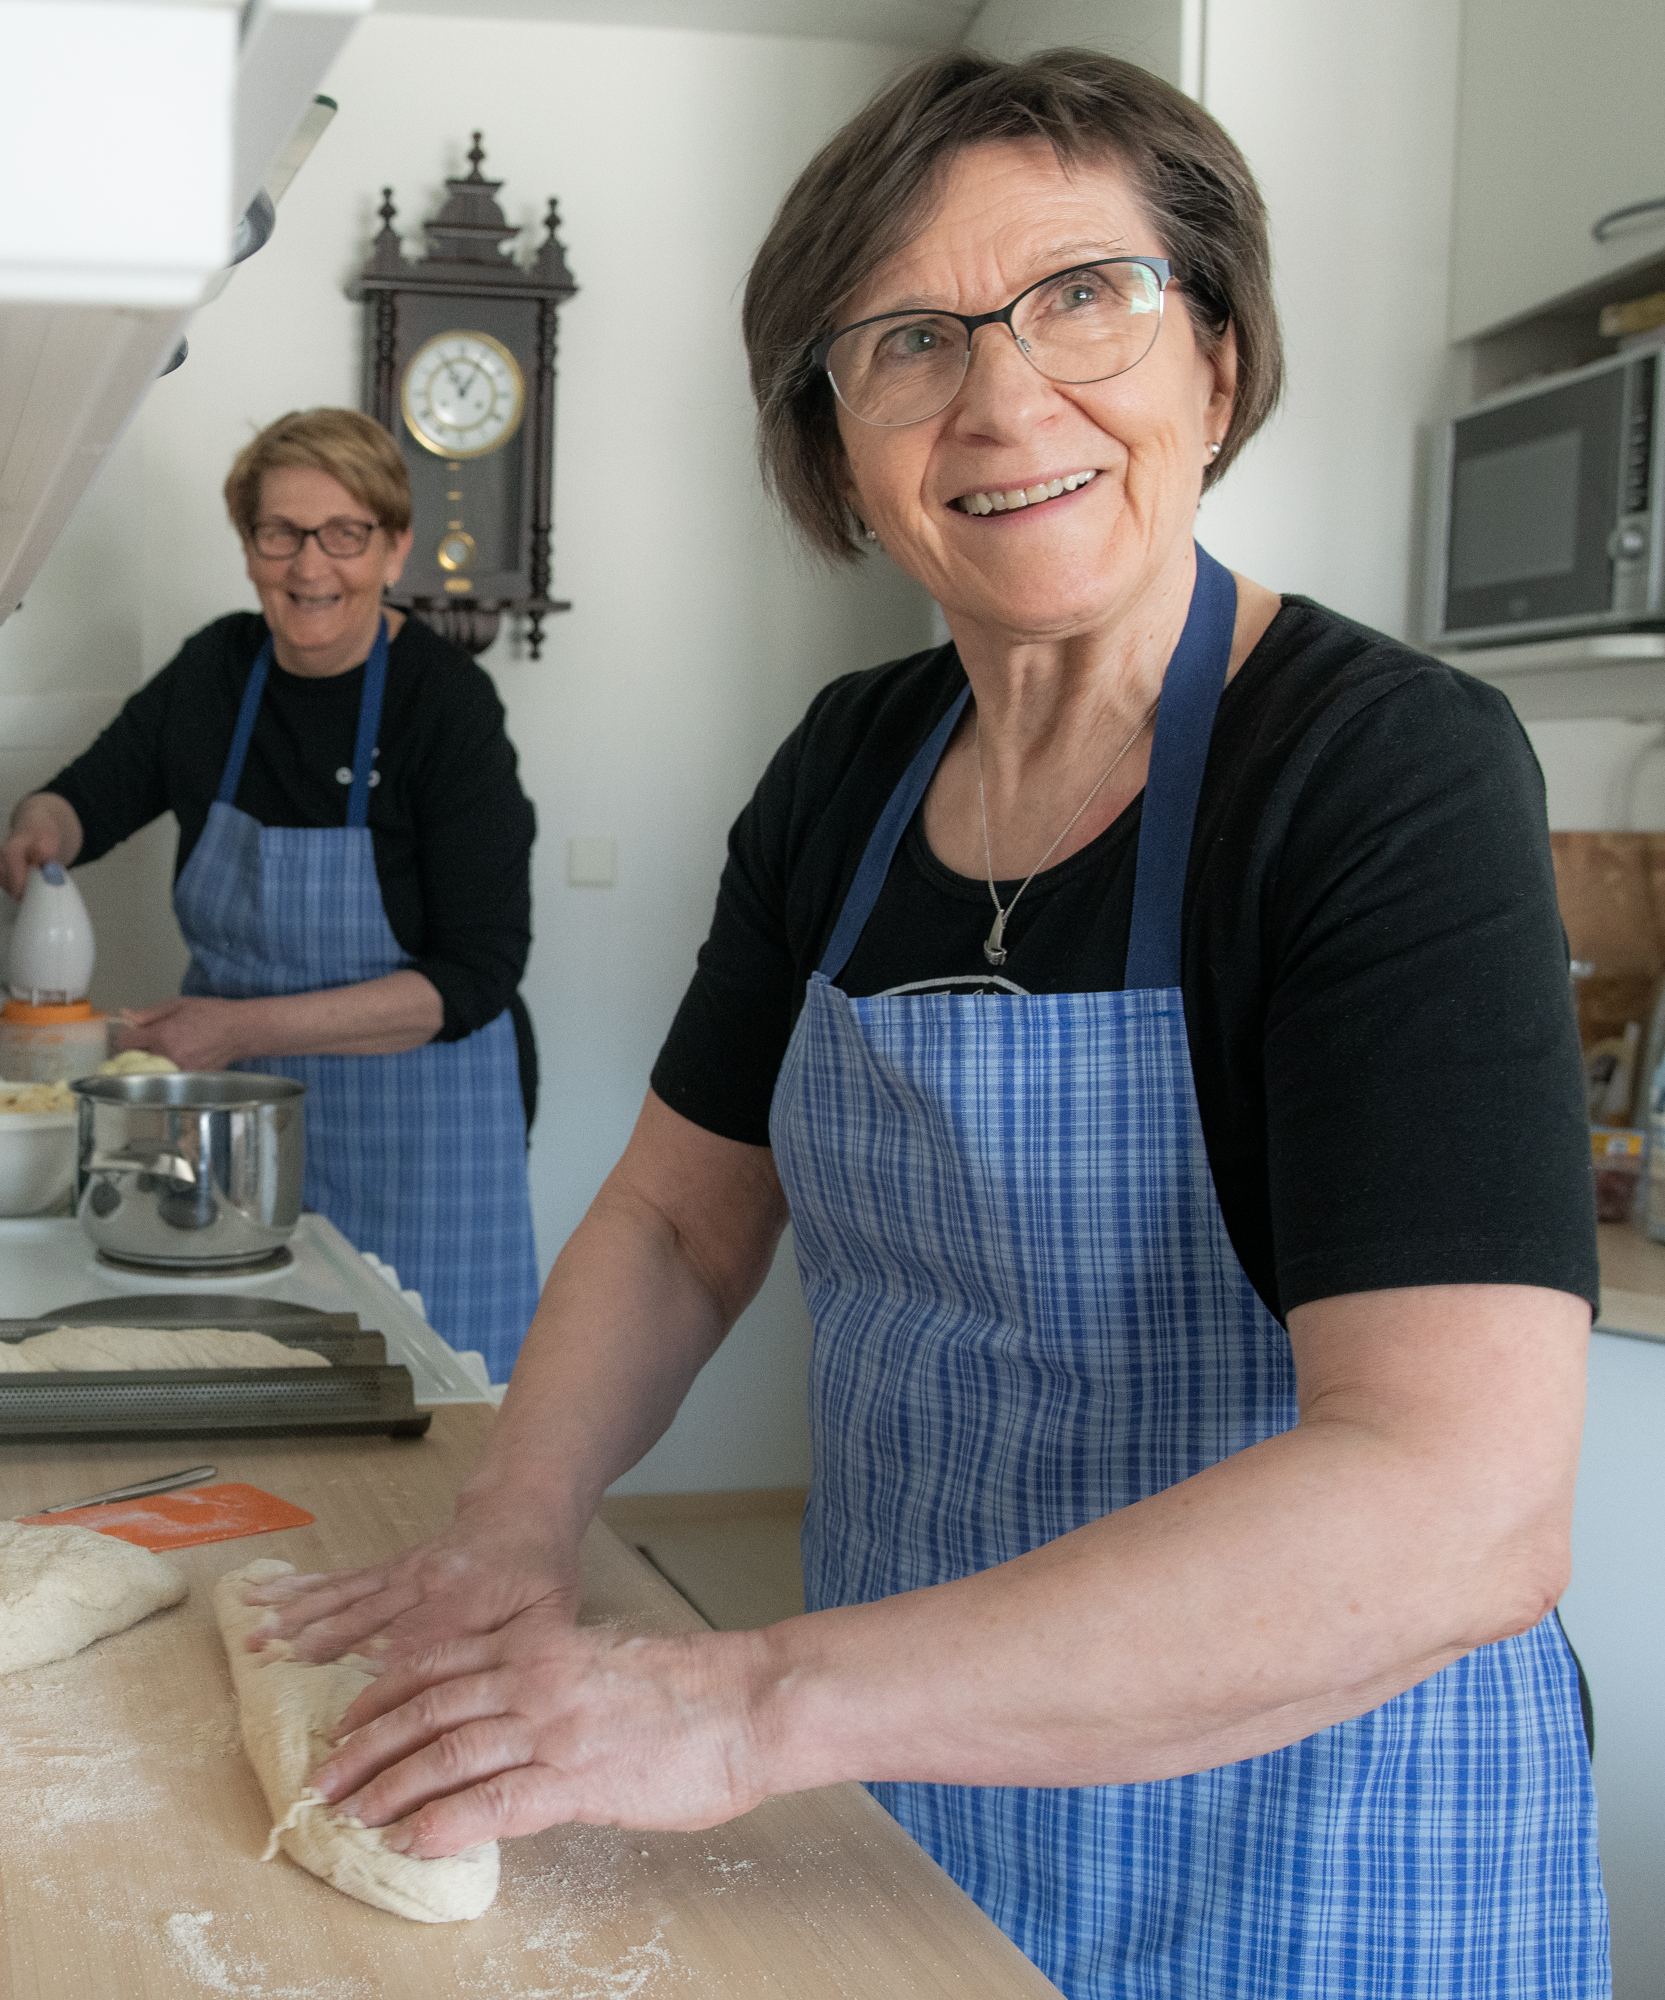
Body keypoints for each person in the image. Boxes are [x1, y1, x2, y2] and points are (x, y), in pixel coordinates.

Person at [246, 50, 1606, 1999]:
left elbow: (1454, 1503)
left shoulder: (1377, 771)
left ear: (1215, 364)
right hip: (909, 1781)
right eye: (905, 340)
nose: (1003, 397)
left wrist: (734, 1709)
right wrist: (513, 1526)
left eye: (1087, 298)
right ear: (837, 449)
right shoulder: (850, 767)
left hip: (1312, 1834)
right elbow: (676, 1218)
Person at [0, 408, 543, 1378]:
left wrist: (240, 1027)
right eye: (280, 532)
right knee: (254, 1367)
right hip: (235, 1127)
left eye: (345, 533)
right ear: (248, 544)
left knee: (434, 1389)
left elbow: (474, 977)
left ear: (395, 544)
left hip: (420, 1127)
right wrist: (42, 827)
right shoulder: (217, 670)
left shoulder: (443, 704)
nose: (310, 565)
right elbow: (88, 796)